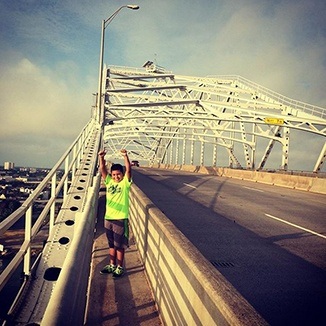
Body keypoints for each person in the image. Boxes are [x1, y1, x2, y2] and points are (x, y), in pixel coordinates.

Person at [98, 148, 132, 277]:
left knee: (120, 245)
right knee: (111, 244)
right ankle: (112, 265)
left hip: (120, 218)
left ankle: (119, 267)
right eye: (114, 175)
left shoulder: (125, 184)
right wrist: (101, 157)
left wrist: (125, 156)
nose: (116, 176)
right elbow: (103, 170)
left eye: (118, 174)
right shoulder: (109, 182)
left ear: (122, 175)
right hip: (108, 218)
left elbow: (129, 170)